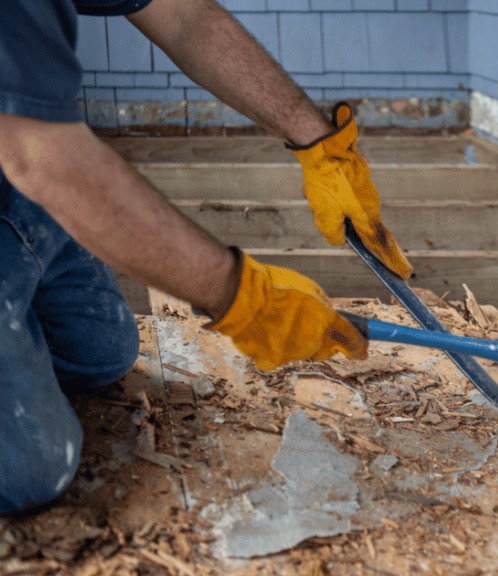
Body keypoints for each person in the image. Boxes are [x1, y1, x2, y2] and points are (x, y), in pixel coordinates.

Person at [0, 0, 412, 516]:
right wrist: (245, 300)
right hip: (25, 161)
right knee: (33, 469)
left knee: (102, 352)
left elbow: (182, 14)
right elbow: (47, 160)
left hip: (11, 185)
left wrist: (317, 141)